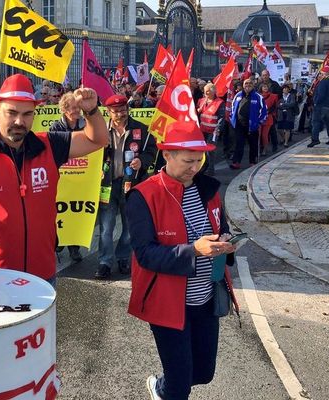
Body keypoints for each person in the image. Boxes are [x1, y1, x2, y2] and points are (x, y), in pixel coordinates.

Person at [0, 73, 108, 285]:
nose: (19, 121)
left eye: (28, 114)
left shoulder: (49, 145)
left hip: (42, 272)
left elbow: (98, 139)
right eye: (12, 112)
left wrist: (91, 110)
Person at [125, 120, 237, 400]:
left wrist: (227, 242)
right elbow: (145, 254)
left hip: (206, 298)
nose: (194, 167)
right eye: (188, 160)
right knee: (179, 387)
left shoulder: (208, 190)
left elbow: (219, 226)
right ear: (167, 155)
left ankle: (161, 386)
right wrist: (194, 250)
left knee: (203, 372)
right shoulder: (143, 195)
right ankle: (165, 389)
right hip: (167, 303)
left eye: (199, 160)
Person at [95, 94, 158, 279]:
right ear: (108, 112)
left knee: (130, 227)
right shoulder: (99, 130)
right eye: (116, 111)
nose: (120, 114)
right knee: (106, 228)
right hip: (107, 185)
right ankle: (104, 262)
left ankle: (123, 258)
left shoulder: (140, 128)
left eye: (123, 110)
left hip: (132, 185)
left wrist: (142, 160)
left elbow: (151, 151)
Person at [49, 92, 88, 263]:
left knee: (77, 212)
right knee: (60, 211)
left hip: (81, 177)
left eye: (78, 108)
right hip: (62, 178)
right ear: (65, 110)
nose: (77, 111)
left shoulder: (85, 125)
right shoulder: (56, 127)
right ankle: (59, 241)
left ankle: (74, 247)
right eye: (73, 108)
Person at [229, 78, 267, 169]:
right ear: (243, 85)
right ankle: (236, 162)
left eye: (250, 83)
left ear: (253, 85)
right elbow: (233, 108)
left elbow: (264, 111)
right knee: (239, 143)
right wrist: (232, 119)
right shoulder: (238, 95)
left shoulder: (258, 97)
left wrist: (258, 122)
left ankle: (253, 162)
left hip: (252, 126)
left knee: (253, 144)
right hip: (239, 125)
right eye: (246, 83)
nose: (248, 85)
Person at [196, 83, 225, 176]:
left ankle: (211, 169)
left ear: (213, 92)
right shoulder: (201, 101)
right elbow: (196, 113)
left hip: (213, 131)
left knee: (210, 151)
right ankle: (203, 167)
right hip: (202, 130)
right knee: (202, 150)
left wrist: (218, 129)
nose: (206, 93)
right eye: (205, 91)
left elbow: (221, 117)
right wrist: (197, 111)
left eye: (208, 91)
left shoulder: (219, 103)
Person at [309, 71, 329, 147]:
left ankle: (315, 140)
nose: (319, 75)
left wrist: (315, 102)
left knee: (315, 122)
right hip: (327, 106)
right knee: (328, 123)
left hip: (320, 106)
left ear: (324, 74)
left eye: (321, 74)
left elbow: (321, 95)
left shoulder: (323, 82)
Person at [258, 83, 278, 155]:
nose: (265, 88)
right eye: (263, 87)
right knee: (258, 134)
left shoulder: (273, 96)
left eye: (266, 86)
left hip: (268, 117)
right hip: (259, 118)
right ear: (261, 88)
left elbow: (275, 107)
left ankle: (265, 150)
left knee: (264, 135)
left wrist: (268, 111)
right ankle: (259, 148)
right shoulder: (257, 96)